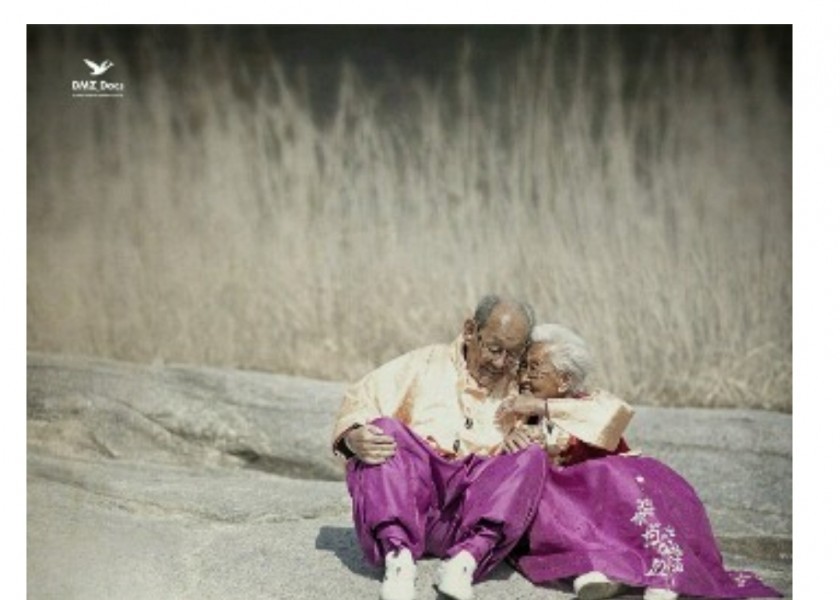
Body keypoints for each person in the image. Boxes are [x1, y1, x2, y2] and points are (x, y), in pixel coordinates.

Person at [499, 323, 781, 600]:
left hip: (605, 497)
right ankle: (594, 572)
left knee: (619, 477)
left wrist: (543, 406)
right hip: (564, 506)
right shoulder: (518, 411)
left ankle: (666, 576)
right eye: (523, 368)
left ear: (563, 380)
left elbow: (612, 417)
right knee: (549, 506)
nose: (524, 377)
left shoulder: (592, 402)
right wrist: (511, 435)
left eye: (534, 369)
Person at [331, 295, 549, 600]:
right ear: (470, 331)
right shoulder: (424, 363)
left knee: (532, 456)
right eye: (494, 349)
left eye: (512, 355)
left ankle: (465, 562)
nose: (501, 363)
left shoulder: (523, 388)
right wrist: (352, 437)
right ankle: (398, 558)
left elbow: (577, 420)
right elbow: (360, 399)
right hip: (410, 504)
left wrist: (525, 437)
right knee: (383, 430)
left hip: (470, 518)